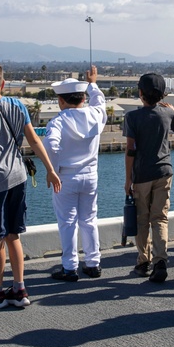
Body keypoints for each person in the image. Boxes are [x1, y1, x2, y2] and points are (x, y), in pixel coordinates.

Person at [0, 61, 60, 309]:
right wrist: (50, 169)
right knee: (13, 234)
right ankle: (19, 289)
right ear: (3, 83)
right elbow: (35, 140)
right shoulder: (18, 105)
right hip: (18, 177)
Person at [124, 73, 174, 283]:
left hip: (142, 175)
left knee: (142, 219)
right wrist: (173, 110)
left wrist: (128, 180)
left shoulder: (133, 117)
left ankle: (144, 261)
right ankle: (160, 261)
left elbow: (130, 151)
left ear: (140, 93)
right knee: (160, 218)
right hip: (164, 172)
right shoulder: (167, 114)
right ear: (162, 94)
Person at [44, 67, 107, 282]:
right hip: (91, 175)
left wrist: (51, 170)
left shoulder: (58, 121)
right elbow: (99, 101)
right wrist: (93, 83)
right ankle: (93, 263)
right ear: (82, 98)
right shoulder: (95, 115)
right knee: (89, 220)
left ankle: (70, 268)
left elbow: (51, 146)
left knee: (67, 222)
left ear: (61, 101)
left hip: (66, 177)